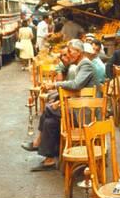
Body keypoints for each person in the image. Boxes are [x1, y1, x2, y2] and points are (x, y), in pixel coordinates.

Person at [24, 39, 100, 171]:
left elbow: (76, 85)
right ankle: (49, 160)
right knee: (50, 121)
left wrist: (55, 85)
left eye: (70, 51)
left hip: (85, 113)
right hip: (79, 107)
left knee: (49, 109)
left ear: (79, 52)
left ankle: (38, 142)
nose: (68, 54)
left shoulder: (85, 65)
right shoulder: (80, 65)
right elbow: (78, 89)